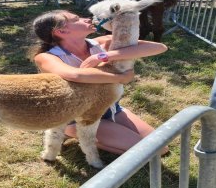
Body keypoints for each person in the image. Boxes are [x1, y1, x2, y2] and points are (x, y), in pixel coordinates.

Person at [32, 10, 169, 155]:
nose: (87, 19)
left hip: (111, 109)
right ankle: (72, 132)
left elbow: (159, 48)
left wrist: (103, 56)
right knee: (155, 150)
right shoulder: (46, 57)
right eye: (77, 19)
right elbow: (75, 75)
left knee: (162, 146)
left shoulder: (101, 43)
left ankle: (91, 134)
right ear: (61, 31)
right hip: (79, 118)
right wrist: (120, 78)